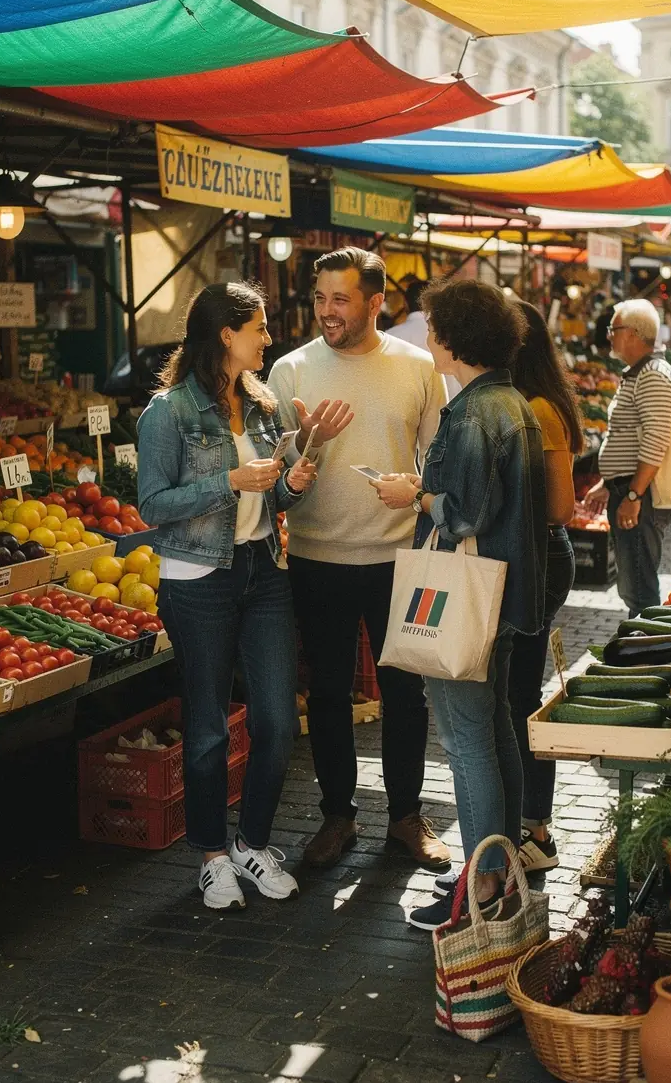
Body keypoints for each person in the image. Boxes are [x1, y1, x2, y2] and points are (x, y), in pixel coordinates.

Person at [371, 280, 547, 930]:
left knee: (469, 740)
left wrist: (414, 497)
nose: (430, 336)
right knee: (493, 729)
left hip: (465, 596)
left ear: (454, 339)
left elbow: (466, 509)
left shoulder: (474, 412)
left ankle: (481, 887)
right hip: (499, 593)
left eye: (437, 327)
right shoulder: (513, 403)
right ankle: (497, 870)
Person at [268, 248, 451, 871]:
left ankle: (405, 816)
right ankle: (337, 816)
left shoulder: (419, 366)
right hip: (317, 554)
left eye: (340, 299)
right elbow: (275, 469)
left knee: (406, 691)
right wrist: (306, 442)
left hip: (400, 556)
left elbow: (440, 457)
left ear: (376, 303)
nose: (327, 311)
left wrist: (421, 494)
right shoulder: (290, 370)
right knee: (326, 691)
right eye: (320, 298)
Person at [137, 283, 317, 910]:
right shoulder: (168, 412)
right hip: (197, 580)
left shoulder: (263, 405)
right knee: (209, 729)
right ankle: (213, 855)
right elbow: (152, 506)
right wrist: (228, 481)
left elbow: (270, 500)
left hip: (262, 569)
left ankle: (254, 844)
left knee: (276, 720)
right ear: (225, 335)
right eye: (259, 328)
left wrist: (289, 481)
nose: (269, 338)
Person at [507, 304, 582, 874]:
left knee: (520, 698)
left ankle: (536, 830)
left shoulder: (537, 410)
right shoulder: (529, 403)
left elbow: (561, 507)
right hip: (533, 556)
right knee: (515, 694)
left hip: (539, 556)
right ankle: (531, 824)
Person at [585, 299, 671, 617]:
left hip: (643, 495)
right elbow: (627, 438)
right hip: (629, 488)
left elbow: (656, 440)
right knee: (633, 583)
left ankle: (646, 654)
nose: (609, 334)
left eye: (614, 328)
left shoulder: (652, 374)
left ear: (635, 333)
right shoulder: (638, 373)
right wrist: (607, 483)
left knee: (639, 587)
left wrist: (633, 494)